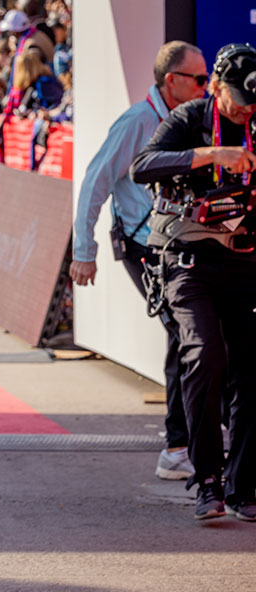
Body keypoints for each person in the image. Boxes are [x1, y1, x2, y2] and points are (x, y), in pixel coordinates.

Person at [130, 43, 256, 522]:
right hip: (189, 260)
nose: (245, 110)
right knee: (205, 353)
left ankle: (244, 485)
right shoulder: (190, 118)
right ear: (218, 88)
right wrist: (210, 155)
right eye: (237, 100)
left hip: (245, 261)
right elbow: (142, 166)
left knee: (251, 367)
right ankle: (207, 479)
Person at [71, 41, 207, 482]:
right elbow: (95, 183)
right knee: (185, 335)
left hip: (180, 243)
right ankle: (177, 446)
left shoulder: (193, 119)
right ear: (173, 81)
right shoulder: (137, 121)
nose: (207, 89)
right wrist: (83, 254)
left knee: (198, 337)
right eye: (200, 80)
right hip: (144, 246)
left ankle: (194, 438)